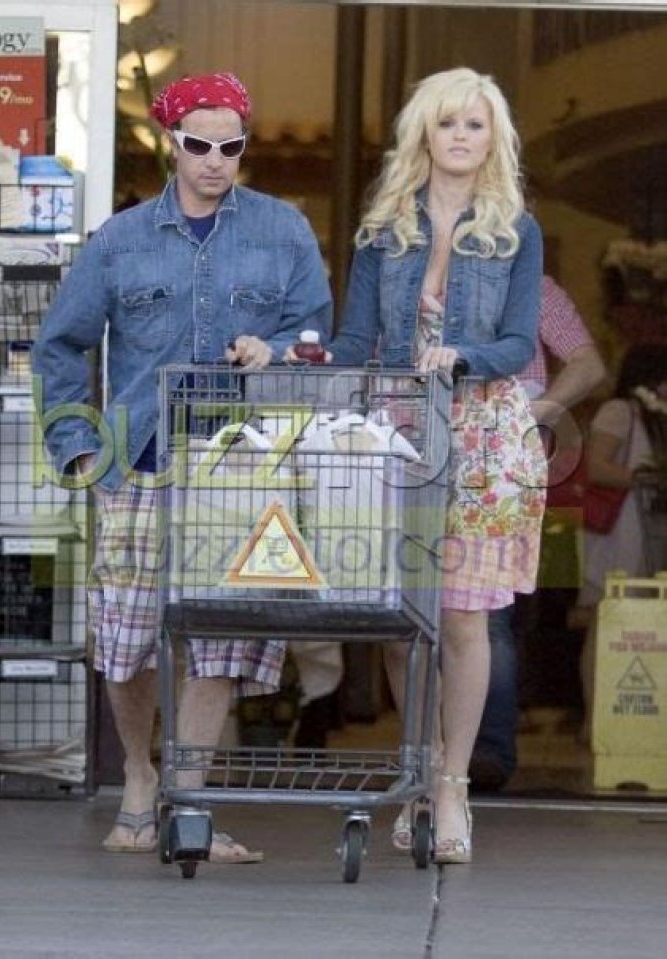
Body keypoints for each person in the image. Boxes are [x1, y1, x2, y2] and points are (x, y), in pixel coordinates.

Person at [32, 72, 332, 860]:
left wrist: (278, 347)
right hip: (138, 459)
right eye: (199, 144)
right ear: (172, 141)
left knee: (221, 638)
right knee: (125, 635)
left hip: (243, 464)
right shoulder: (120, 239)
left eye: (231, 146)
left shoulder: (283, 229)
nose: (215, 160)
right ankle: (138, 775)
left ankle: (187, 801)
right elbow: (59, 346)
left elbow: (316, 332)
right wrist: (81, 448)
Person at [327, 66, 546, 864]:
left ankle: (451, 786)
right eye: (447, 122)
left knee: (461, 617)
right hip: (397, 433)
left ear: (494, 139)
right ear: (424, 129)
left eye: (475, 124)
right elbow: (355, 341)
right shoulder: (383, 229)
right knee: (399, 617)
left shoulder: (517, 229)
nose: (460, 136)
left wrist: (463, 356)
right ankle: (418, 771)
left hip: (484, 437)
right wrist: (304, 370)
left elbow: (519, 343)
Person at [470, 275, 607, 790]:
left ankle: (486, 753)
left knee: (489, 614)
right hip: (426, 456)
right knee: (424, 612)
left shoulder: (532, 286)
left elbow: (588, 365)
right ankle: (435, 753)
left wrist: (529, 417)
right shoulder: (417, 275)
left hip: (500, 470)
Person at [577, 343, 667, 724]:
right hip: (619, 531)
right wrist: (649, 479)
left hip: (647, 529)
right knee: (606, 620)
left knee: (640, 623)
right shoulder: (619, 412)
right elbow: (596, 467)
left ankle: (631, 722)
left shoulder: (655, 417)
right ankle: (596, 719)